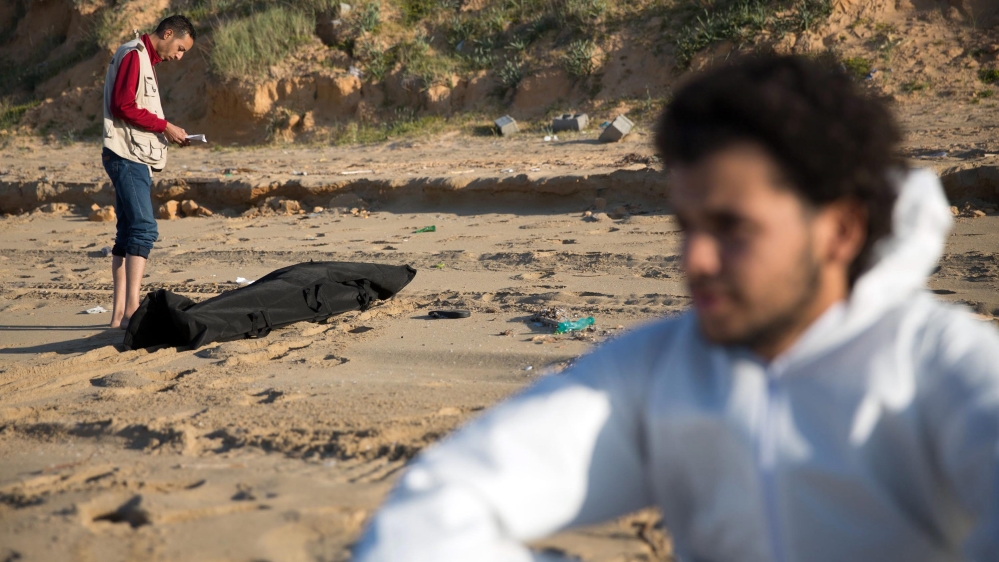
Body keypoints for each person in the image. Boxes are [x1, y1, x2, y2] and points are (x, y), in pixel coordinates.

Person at [353, 55, 999, 562]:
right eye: (687, 226)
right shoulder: (662, 367)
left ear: (841, 230)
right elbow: (437, 509)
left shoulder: (943, 368)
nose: (695, 260)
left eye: (731, 228)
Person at [102, 15, 196, 328]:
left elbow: (129, 107)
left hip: (128, 153)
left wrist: (166, 130)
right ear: (167, 34)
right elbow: (123, 105)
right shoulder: (134, 54)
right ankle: (131, 310)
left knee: (128, 231)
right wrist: (165, 126)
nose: (179, 56)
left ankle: (118, 315)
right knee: (144, 228)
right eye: (180, 48)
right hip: (127, 155)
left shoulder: (141, 57)